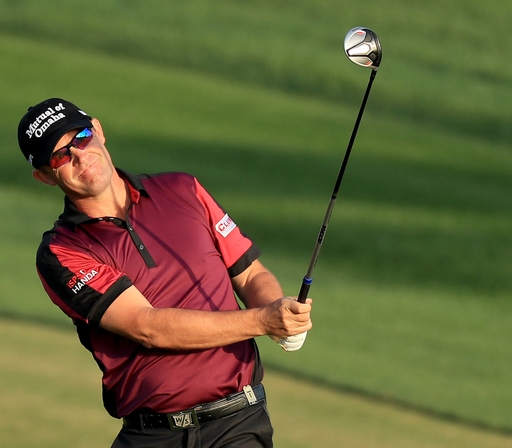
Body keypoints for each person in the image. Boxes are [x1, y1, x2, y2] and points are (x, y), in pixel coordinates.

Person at [17, 98, 313, 447]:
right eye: (60, 156)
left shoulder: (182, 189)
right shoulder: (62, 251)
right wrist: (263, 321)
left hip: (237, 425)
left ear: (97, 130)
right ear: (45, 176)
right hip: (152, 436)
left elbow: (249, 273)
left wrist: (281, 312)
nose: (80, 156)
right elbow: (147, 327)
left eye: (80, 137)